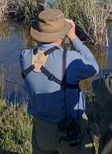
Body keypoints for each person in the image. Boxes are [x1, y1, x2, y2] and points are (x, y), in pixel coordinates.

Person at [19, 8, 99, 154]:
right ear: (62, 35)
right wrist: (74, 37)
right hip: (69, 130)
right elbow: (94, 68)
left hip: (40, 130)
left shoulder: (25, 57)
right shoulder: (69, 58)